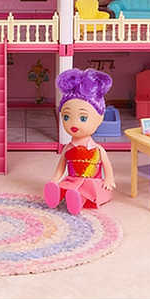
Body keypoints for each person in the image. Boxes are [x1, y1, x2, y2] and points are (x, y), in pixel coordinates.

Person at [43, 68, 116, 215]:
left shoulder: (98, 149)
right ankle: (56, 195)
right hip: (72, 179)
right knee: (66, 186)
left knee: (86, 191)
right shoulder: (68, 148)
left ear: (99, 118)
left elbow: (107, 166)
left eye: (83, 118)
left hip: (93, 182)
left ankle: (76, 201)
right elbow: (61, 167)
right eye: (66, 117)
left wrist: (109, 179)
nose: (73, 123)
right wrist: (55, 179)